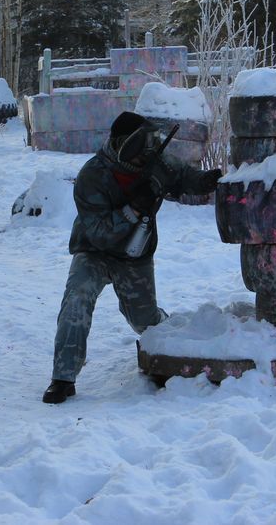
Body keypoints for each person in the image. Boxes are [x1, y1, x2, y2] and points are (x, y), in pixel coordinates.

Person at [43, 111, 223, 404]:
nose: (146, 154)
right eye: (140, 148)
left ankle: (172, 345)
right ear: (121, 145)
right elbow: (101, 233)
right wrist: (134, 208)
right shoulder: (92, 176)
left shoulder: (157, 163)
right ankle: (63, 378)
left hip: (135, 254)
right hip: (94, 252)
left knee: (146, 321)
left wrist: (208, 181)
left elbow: (185, 178)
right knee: (77, 299)